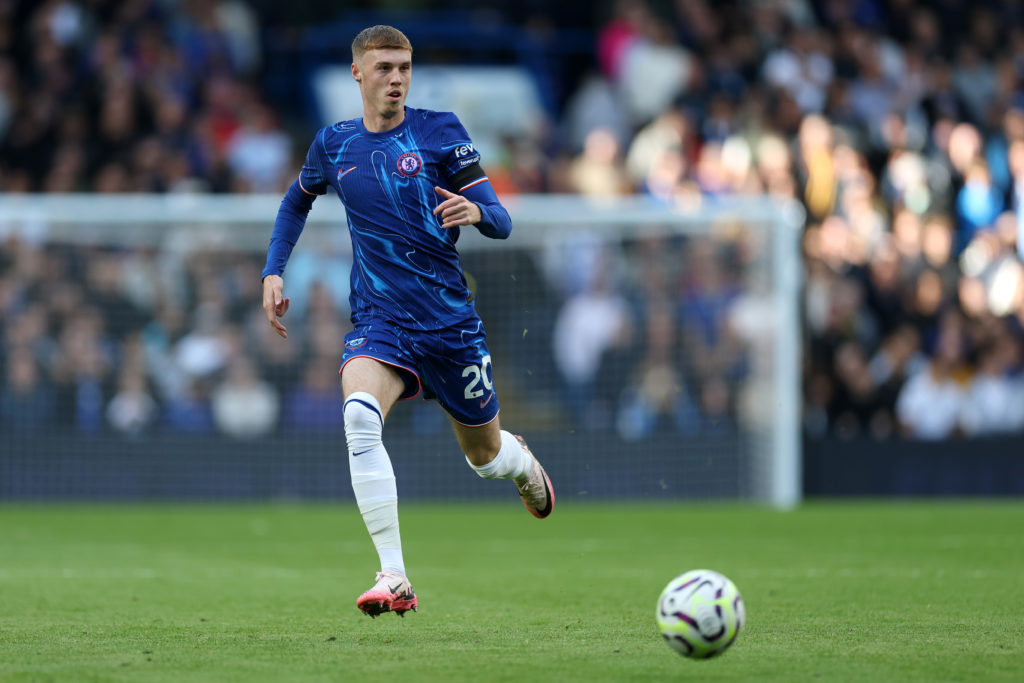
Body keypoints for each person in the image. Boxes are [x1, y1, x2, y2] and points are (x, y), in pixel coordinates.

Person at [260, 25, 554, 619]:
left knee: (484, 457)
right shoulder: (333, 144)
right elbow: (297, 200)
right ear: (358, 74)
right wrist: (273, 270)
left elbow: (501, 219)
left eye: (404, 67)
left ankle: (519, 461)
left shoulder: (439, 130)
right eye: (384, 67)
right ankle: (393, 575)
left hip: (449, 325)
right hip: (380, 321)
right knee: (359, 417)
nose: (396, 78)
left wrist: (476, 210)